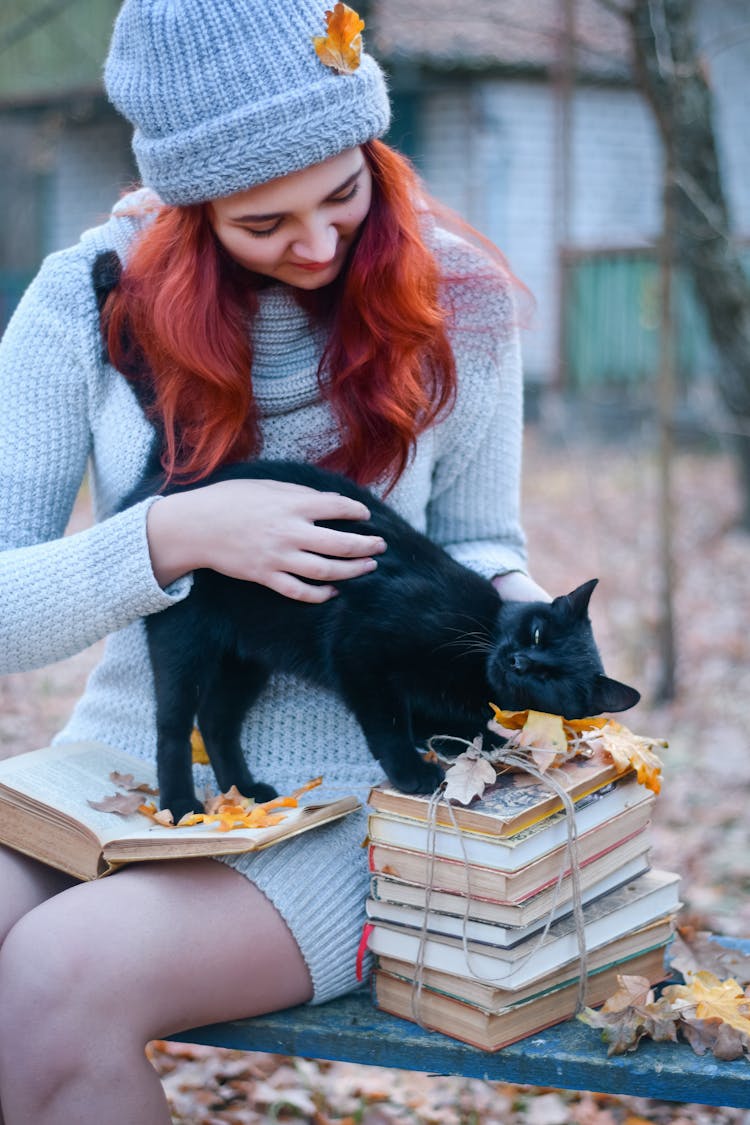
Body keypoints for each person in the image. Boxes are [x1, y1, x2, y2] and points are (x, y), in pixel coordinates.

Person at [0, 1, 549, 1121]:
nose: (316, 243)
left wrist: (528, 628)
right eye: (262, 222)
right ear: (187, 208)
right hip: (125, 775)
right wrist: (169, 536)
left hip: (370, 796)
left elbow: (486, 544)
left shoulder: (458, 296)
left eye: (343, 194)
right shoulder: (86, 294)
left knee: (55, 980)